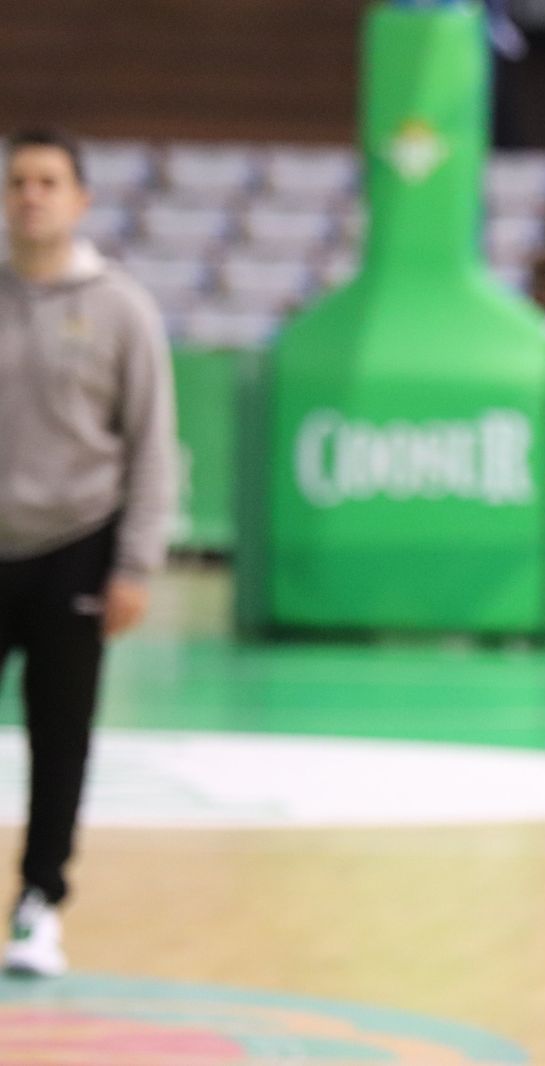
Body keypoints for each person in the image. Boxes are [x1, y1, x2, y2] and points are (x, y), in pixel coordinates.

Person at [0, 128, 177, 976]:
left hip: (75, 545)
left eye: (47, 181)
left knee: (59, 735)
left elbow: (151, 442)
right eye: (18, 181)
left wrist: (135, 563)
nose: (30, 195)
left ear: (79, 201)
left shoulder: (119, 308)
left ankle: (39, 900)